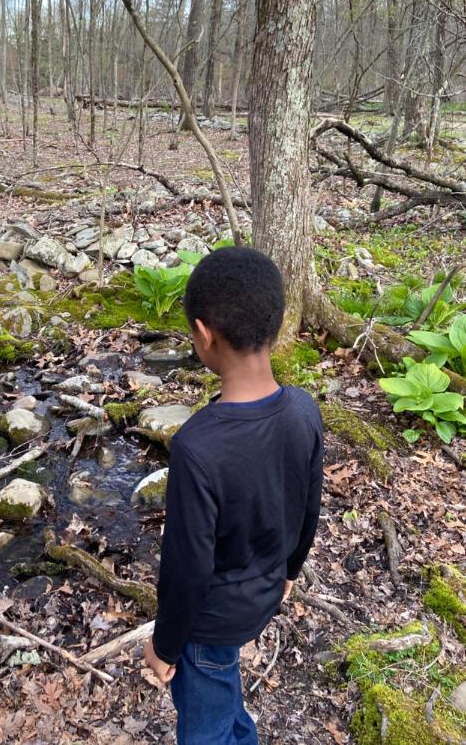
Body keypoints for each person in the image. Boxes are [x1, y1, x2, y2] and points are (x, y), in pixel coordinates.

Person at [143, 246, 323, 744]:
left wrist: (165, 645)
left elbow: (187, 567)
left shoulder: (197, 446)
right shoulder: (304, 410)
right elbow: (310, 505)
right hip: (265, 593)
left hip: (210, 624)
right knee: (224, 692)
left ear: (204, 335)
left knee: (205, 724)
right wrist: (289, 572)